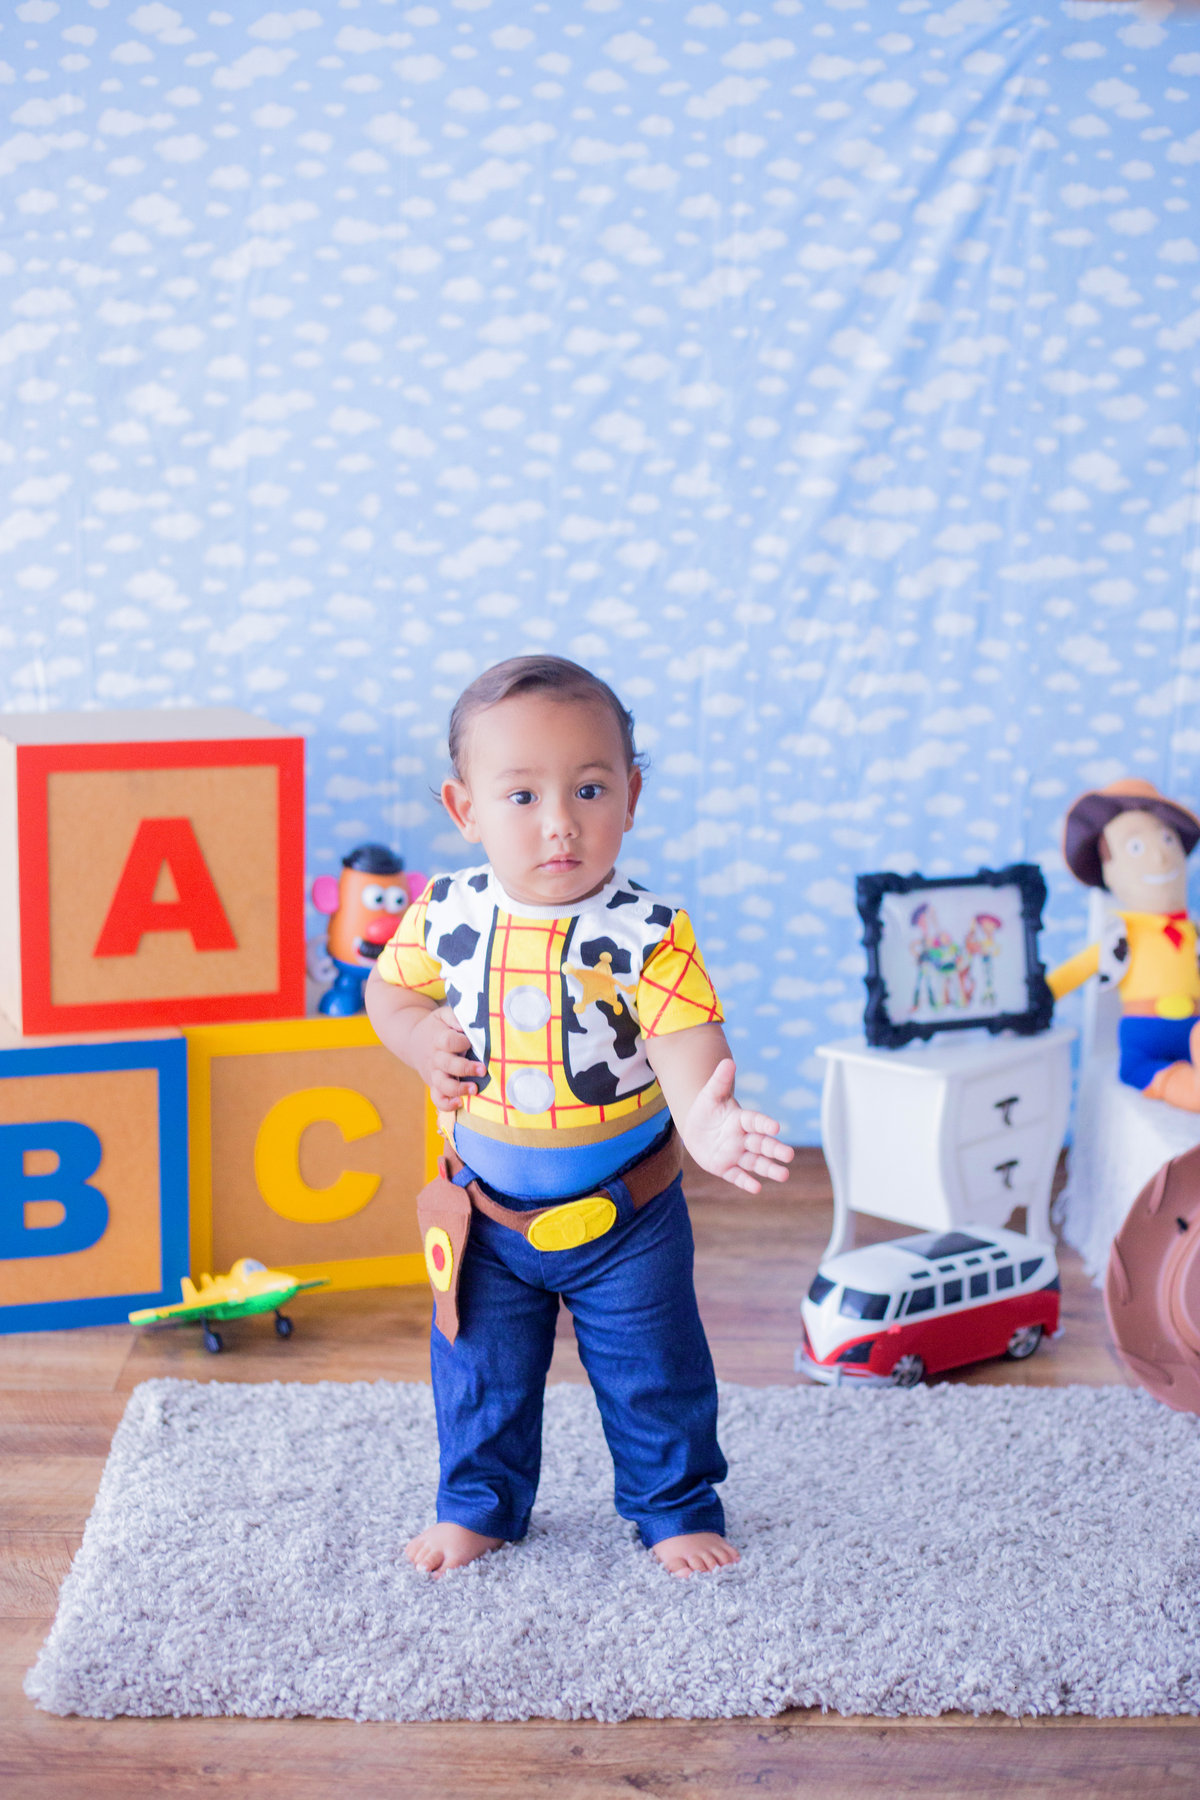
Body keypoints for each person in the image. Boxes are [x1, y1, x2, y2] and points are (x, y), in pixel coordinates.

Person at [365, 655, 792, 1579]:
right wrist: (416, 1039)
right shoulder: (444, 913)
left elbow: (688, 1044)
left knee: (656, 1372)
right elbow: (386, 996)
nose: (560, 822)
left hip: (624, 1218)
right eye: (521, 795)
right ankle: (478, 1503)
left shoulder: (650, 932)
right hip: (483, 1214)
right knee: (478, 1374)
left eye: (590, 788)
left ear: (631, 796)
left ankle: (673, 1505)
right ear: (464, 808)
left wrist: (709, 1121)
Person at [1048, 777, 1200, 1110]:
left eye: (1167, 840)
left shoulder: (1193, 932)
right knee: (1138, 1070)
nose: (1160, 857)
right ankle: (1188, 1087)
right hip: (1145, 1038)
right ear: (1109, 869)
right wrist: (1039, 996)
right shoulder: (1122, 936)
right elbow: (1078, 969)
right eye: (1136, 847)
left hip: (1193, 1024)